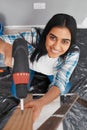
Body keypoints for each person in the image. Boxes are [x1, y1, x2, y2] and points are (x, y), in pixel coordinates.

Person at [23, 13, 80, 122]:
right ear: (46, 35)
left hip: (52, 71)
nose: (56, 47)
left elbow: (61, 81)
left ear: (70, 42)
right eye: (53, 37)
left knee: (63, 90)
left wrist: (41, 102)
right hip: (30, 65)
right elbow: (5, 41)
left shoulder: (73, 52)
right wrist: (5, 46)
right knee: (17, 93)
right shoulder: (34, 37)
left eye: (64, 41)